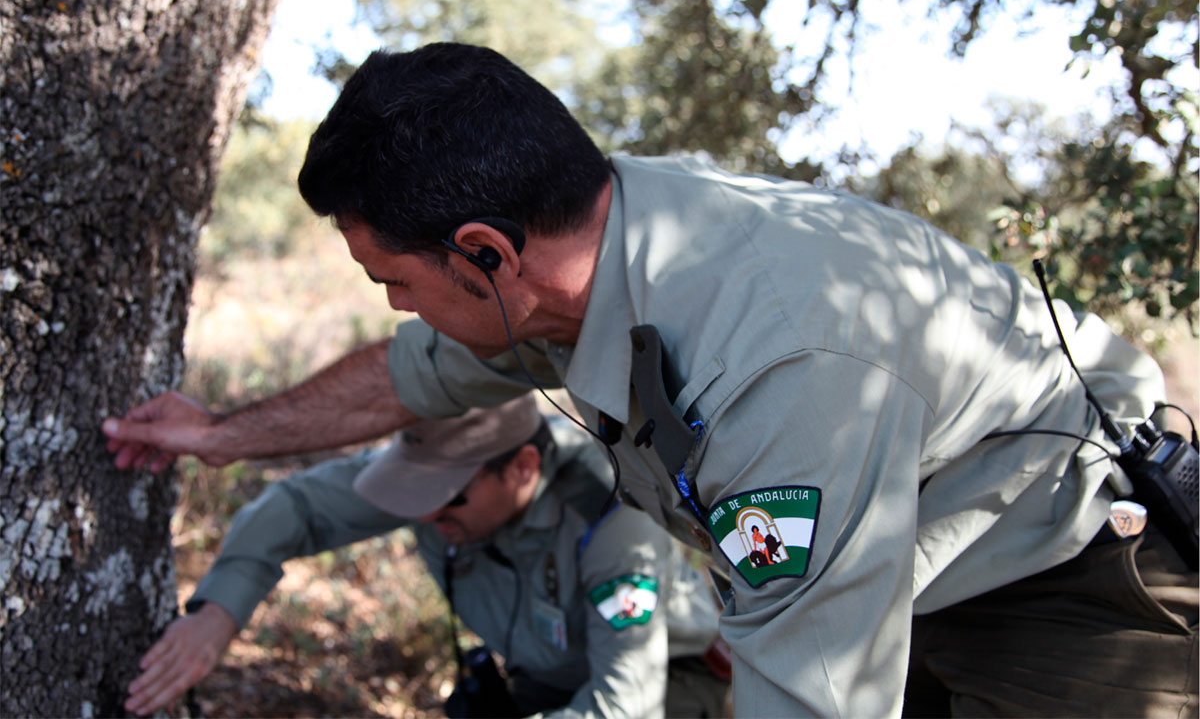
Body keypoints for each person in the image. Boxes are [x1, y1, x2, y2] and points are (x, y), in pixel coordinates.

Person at [104, 43, 1196, 717]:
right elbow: (408, 378)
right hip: (901, 576)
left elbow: (812, 693)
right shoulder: (573, 256)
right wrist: (218, 435)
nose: (394, 303)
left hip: (1069, 584)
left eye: (392, 277)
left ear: (484, 251)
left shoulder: (777, 360)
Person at [122, 395, 729, 718]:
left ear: (523, 469)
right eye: (417, 495)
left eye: (443, 502)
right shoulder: (440, 474)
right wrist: (216, 614)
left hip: (661, 687)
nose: (425, 517)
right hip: (543, 681)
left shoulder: (609, 516)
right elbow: (299, 507)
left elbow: (628, 706)